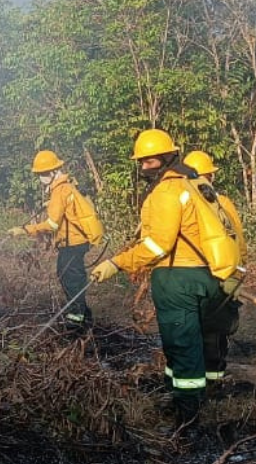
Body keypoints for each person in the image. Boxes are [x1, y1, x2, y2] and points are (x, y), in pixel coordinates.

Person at [89, 129, 229, 427]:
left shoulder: (167, 192)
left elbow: (158, 245)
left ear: (166, 158)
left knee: (182, 345)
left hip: (178, 278)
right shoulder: (196, 184)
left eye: (149, 161)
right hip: (208, 275)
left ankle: (187, 416)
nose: (144, 168)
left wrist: (117, 263)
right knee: (194, 342)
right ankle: (183, 396)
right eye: (141, 162)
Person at [9, 150, 105, 326]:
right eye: (40, 174)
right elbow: (66, 208)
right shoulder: (64, 186)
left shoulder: (60, 190)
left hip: (73, 243)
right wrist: (51, 204)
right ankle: (85, 314)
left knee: (69, 277)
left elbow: (52, 225)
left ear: (54, 172)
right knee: (71, 275)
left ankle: (77, 317)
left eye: (44, 174)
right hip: (76, 242)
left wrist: (24, 230)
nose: (41, 178)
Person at [183, 150, 246, 390]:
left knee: (192, 324)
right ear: (210, 176)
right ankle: (214, 376)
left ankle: (195, 376)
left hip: (191, 275)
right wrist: (239, 270)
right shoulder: (221, 203)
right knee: (215, 326)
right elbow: (236, 239)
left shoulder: (181, 202)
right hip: (219, 273)